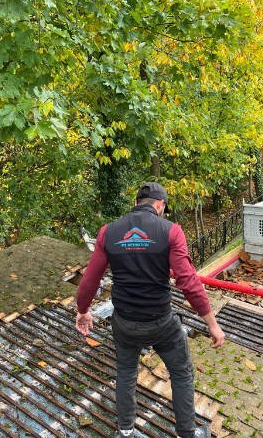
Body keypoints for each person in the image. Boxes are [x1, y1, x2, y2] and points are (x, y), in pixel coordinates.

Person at [75, 182, 225, 438]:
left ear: (136, 203)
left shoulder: (108, 232)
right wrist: (212, 324)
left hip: (124, 322)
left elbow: (91, 279)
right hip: (161, 324)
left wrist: (83, 310)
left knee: (125, 372)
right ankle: (186, 433)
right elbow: (188, 282)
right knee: (180, 373)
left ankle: (125, 431)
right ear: (160, 205)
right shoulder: (171, 232)